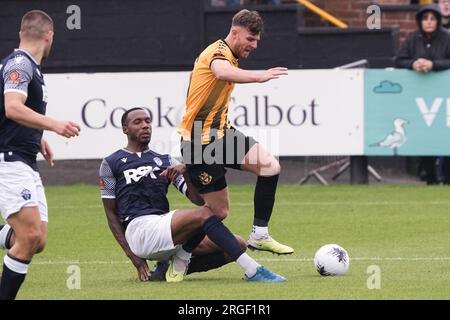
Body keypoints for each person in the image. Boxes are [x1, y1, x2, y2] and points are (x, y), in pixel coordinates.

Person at [99, 108, 287, 282]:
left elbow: (197, 199)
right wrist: (134, 258)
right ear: (125, 129)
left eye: (147, 121)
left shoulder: (166, 160)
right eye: (137, 122)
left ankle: (170, 269)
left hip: (168, 230)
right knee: (207, 214)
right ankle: (253, 270)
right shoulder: (111, 163)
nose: (145, 125)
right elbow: (111, 214)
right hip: (140, 230)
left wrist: (186, 173)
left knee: (237, 244)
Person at [177, 9, 294, 256]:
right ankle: (182, 254)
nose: (254, 45)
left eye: (257, 41)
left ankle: (259, 235)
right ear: (234, 33)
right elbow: (221, 71)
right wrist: (258, 77)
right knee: (217, 211)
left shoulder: (228, 56)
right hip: (198, 140)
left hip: (221, 134)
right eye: (250, 39)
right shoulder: (217, 53)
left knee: (270, 167)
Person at [0, 10, 80, 300]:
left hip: (24, 158)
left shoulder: (29, 66)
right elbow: (12, 107)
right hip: (8, 160)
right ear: (49, 36)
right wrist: (54, 125)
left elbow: (9, 114)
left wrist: (38, 138)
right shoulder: (21, 63)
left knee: (38, 240)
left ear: (22, 32)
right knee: (29, 236)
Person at [395, 3, 450, 185]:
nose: (428, 22)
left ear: (438, 20)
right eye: (425, 19)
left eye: (432, 19)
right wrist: (414, 64)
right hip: (420, 97)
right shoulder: (412, 38)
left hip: (444, 96)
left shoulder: (447, 37)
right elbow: (399, 60)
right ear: (420, 21)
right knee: (426, 137)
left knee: (445, 136)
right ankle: (431, 178)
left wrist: (433, 65)